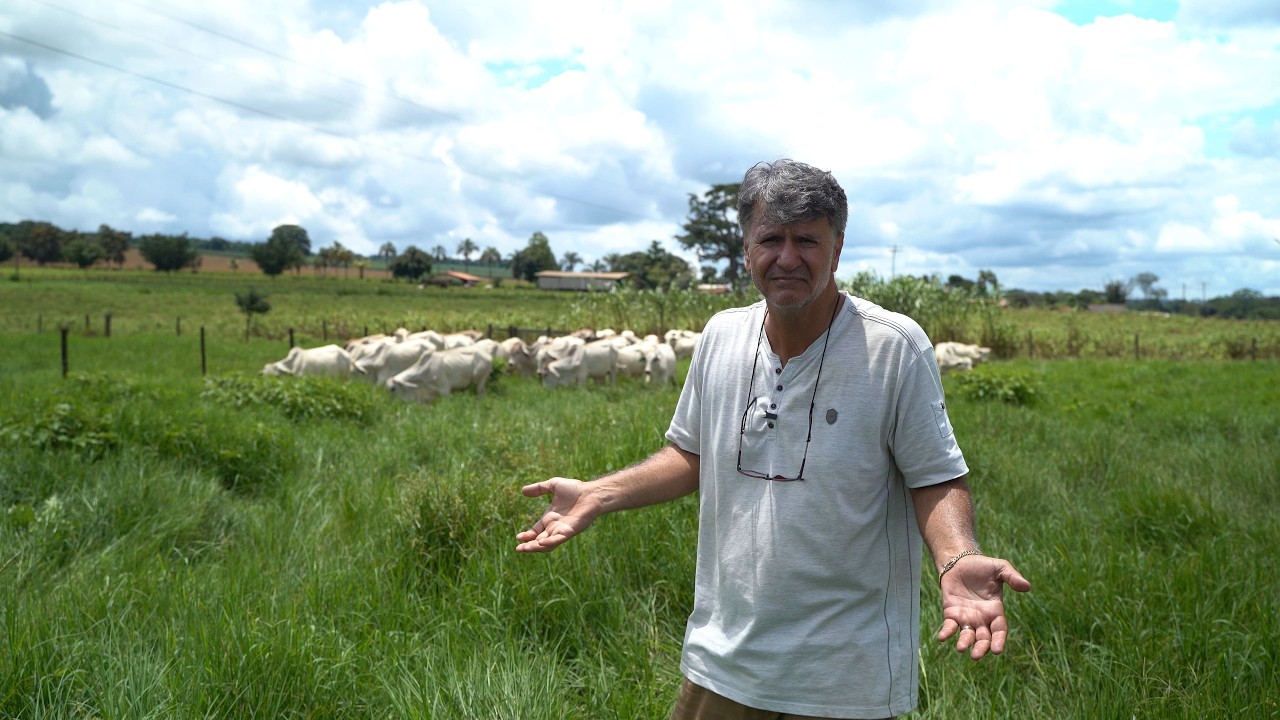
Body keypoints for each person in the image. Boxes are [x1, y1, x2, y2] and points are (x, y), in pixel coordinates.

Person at [515, 158, 1031, 719]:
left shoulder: (894, 348)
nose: (787, 258)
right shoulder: (720, 335)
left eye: (807, 240)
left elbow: (934, 476)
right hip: (722, 660)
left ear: (836, 249)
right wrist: (600, 494)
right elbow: (691, 453)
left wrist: (957, 557)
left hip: (841, 677)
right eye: (771, 239)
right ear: (746, 249)